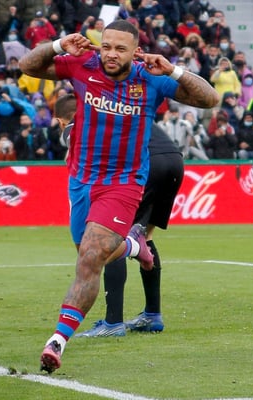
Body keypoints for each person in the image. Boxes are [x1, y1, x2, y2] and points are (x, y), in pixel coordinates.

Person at [18, 20, 219, 373]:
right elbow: (27, 66)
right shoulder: (83, 65)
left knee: (90, 258)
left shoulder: (150, 78)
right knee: (87, 252)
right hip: (82, 179)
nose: (111, 54)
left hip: (123, 184)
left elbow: (210, 98)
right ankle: (133, 246)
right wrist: (59, 45)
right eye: (107, 46)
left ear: (135, 51)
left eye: (120, 49)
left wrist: (174, 69)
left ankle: (58, 340)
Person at [76, 121, 185, 337]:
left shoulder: (93, 114)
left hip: (149, 161)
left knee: (114, 234)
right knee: (144, 235)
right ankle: (152, 315)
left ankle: (113, 323)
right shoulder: (124, 107)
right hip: (174, 160)